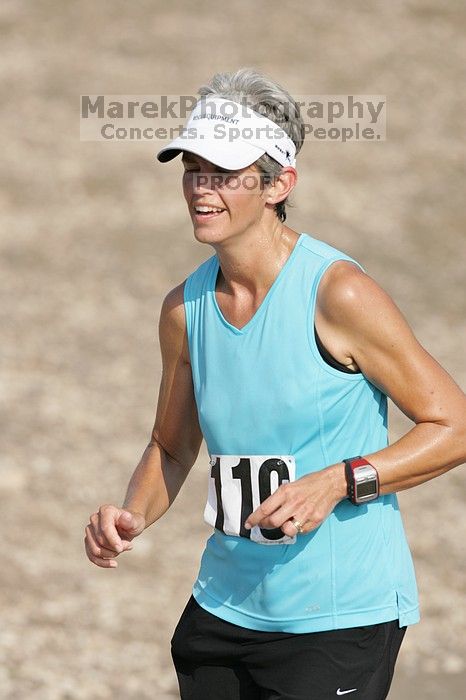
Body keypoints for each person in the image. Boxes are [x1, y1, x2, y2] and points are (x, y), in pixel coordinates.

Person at [84, 68, 466, 700]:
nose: (202, 190)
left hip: (336, 622)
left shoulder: (337, 292)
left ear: (278, 183)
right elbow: (173, 447)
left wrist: (338, 481)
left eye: (226, 173)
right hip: (222, 610)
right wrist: (130, 515)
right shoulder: (185, 309)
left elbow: (453, 424)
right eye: (193, 168)